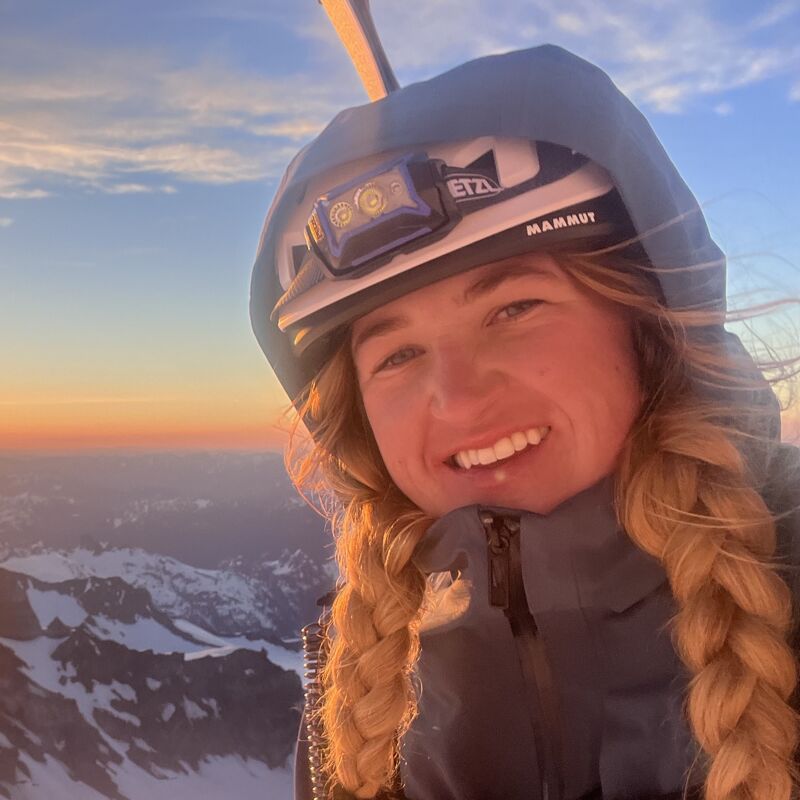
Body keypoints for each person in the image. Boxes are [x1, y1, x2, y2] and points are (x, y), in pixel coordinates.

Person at [249, 45, 800, 800]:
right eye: (398, 354)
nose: (459, 400)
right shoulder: (359, 692)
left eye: (513, 309)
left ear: (649, 328)